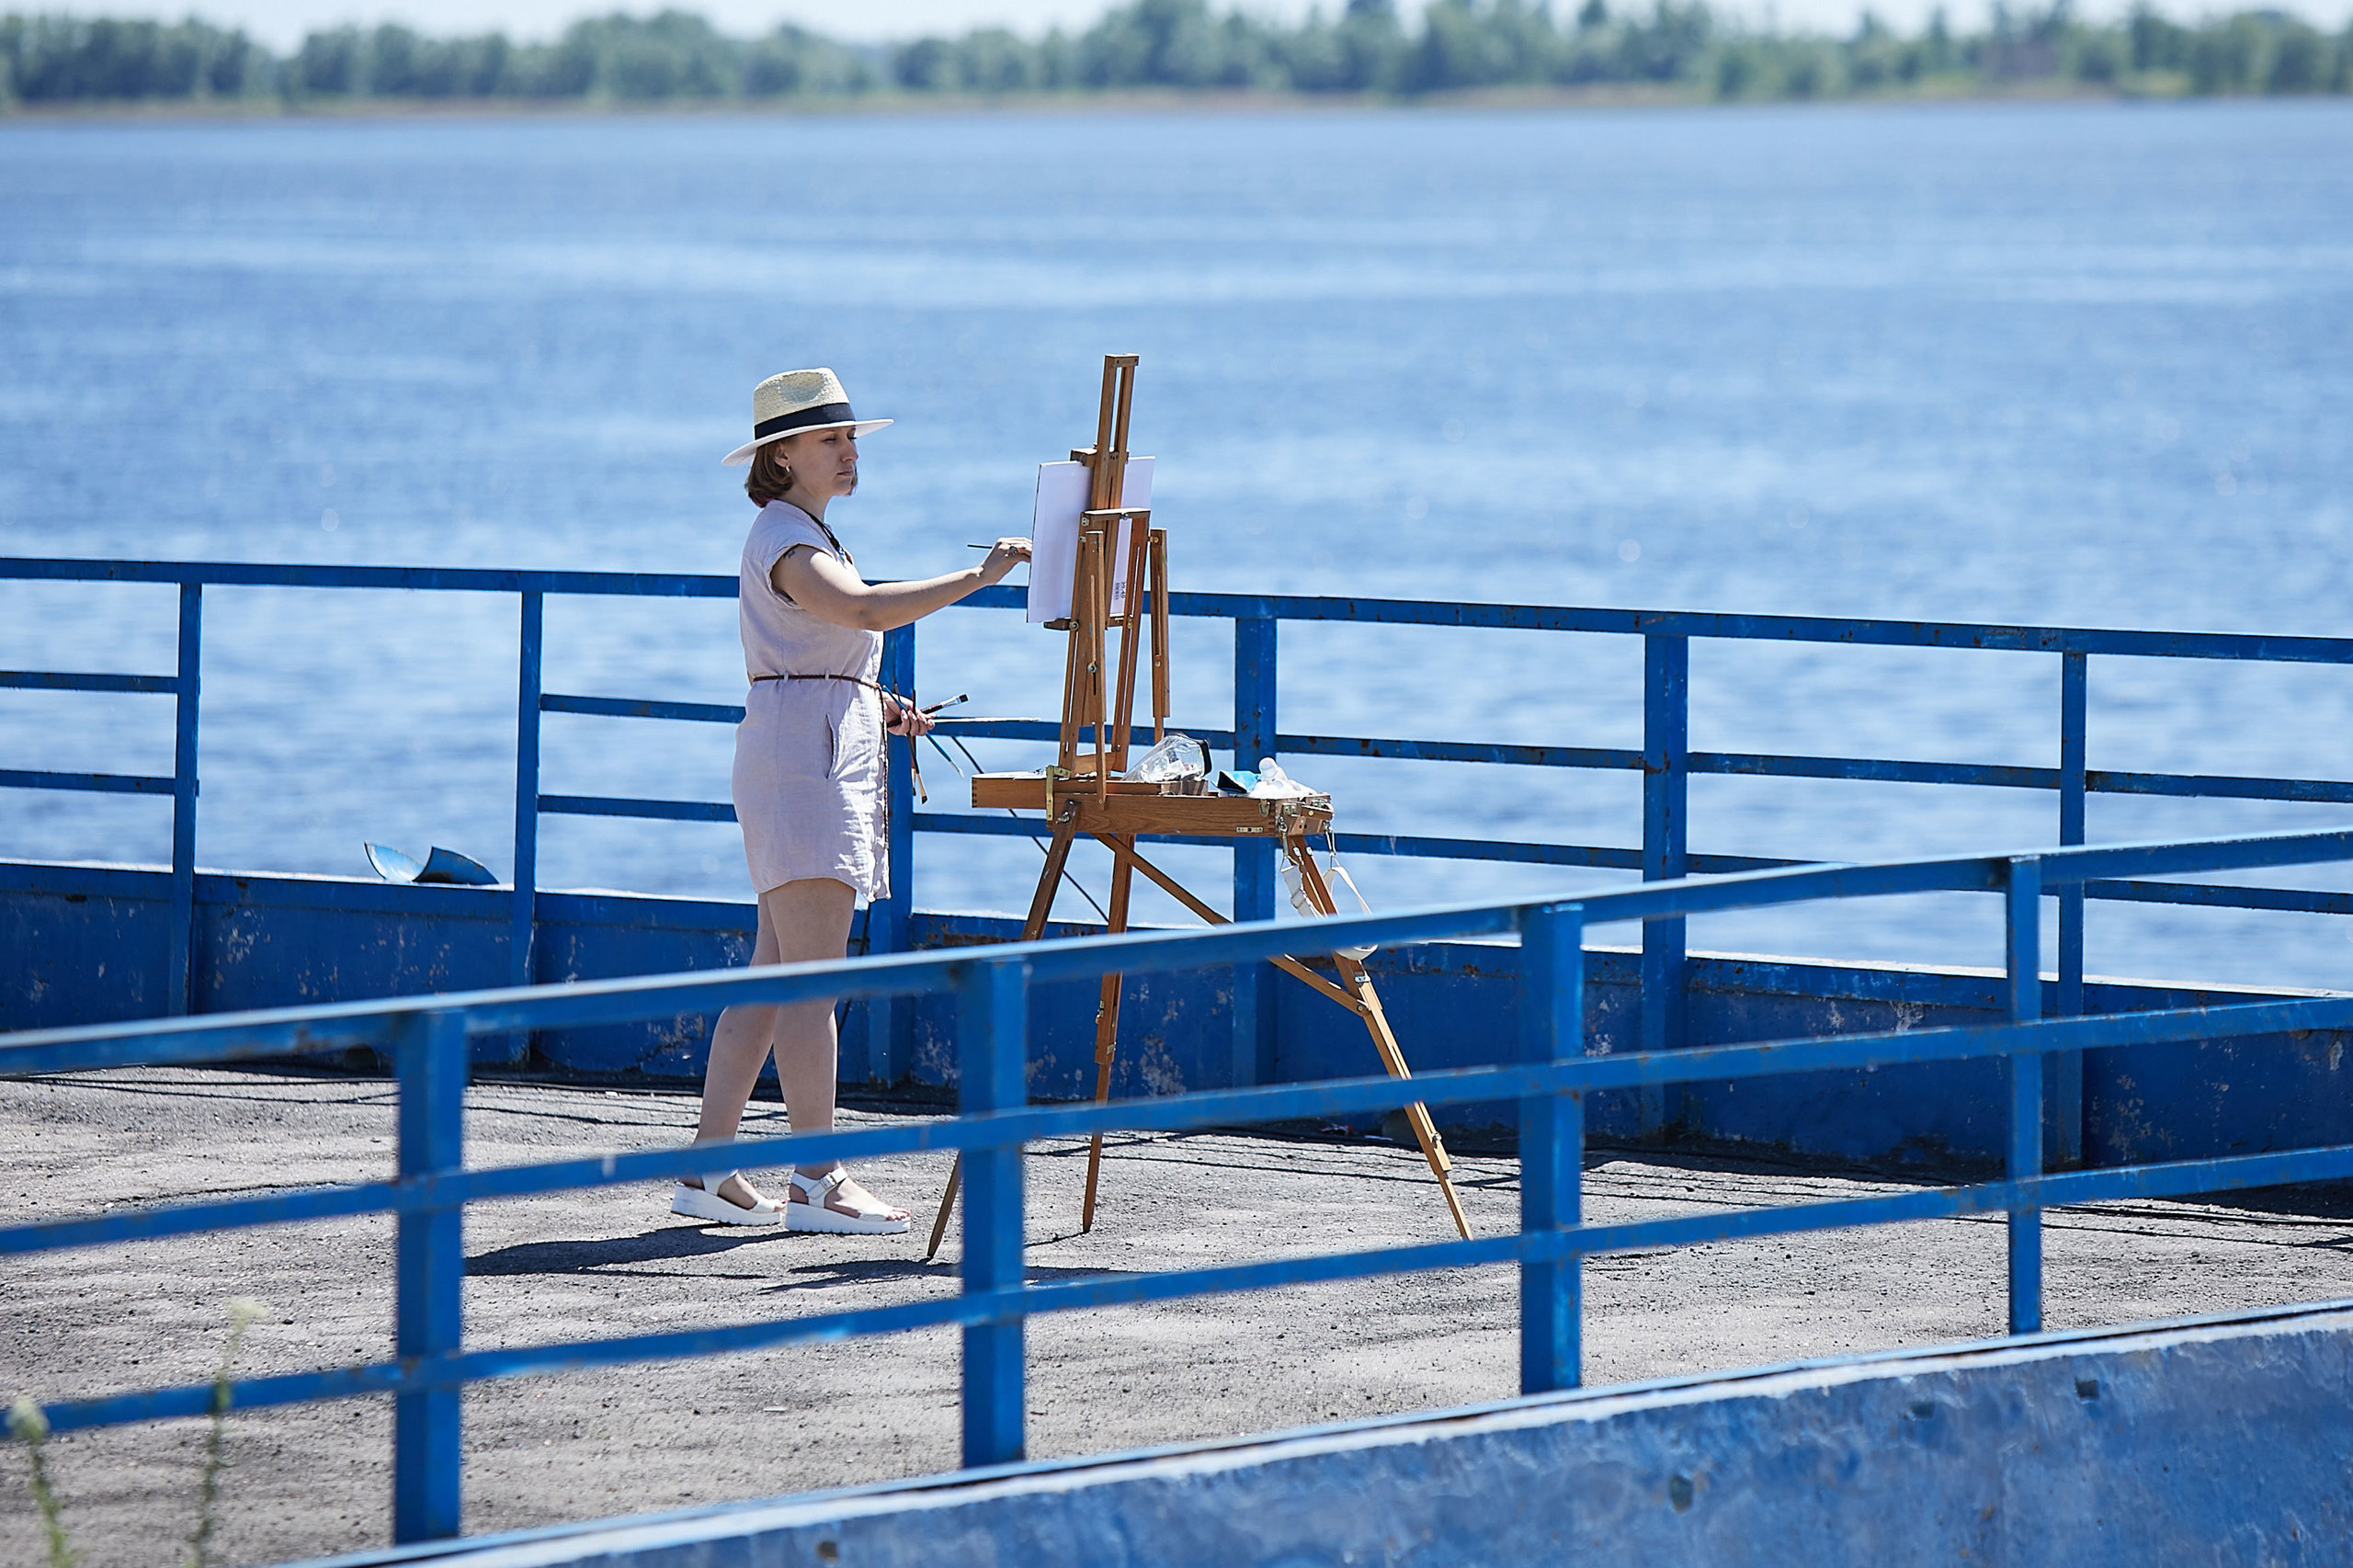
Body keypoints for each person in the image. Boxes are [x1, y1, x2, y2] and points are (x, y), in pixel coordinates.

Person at [673, 368, 1029, 1233]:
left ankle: (708, 1172)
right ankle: (817, 1179)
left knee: (774, 971)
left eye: (850, 436)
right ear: (782, 454)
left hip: (803, 742)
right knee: (812, 980)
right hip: (806, 762)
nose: (848, 449)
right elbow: (861, 611)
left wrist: (874, 702)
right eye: (831, 439)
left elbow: (824, 644)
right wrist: (976, 578)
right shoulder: (790, 542)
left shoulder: (796, 531)